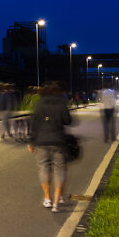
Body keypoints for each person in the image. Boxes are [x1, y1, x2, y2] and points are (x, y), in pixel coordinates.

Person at [28, 82, 73, 212]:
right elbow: (68, 121)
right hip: (58, 140)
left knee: (44, 168)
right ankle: (57, 200)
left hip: (41, 141)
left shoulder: (39, 104)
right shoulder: (61, 103)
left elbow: (34, 124)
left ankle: (47, 199)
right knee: (60, 169)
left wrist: (31, 141)